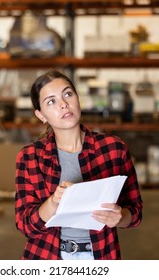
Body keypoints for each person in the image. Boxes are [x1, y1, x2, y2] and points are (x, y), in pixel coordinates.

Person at [14, 69, 143, 260]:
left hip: (100, 255)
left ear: (77, 98)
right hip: (46, 256)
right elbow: (25, 225)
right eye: (51, 101)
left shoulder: (114, 149)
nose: (64, 105)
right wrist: (53, 202)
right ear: (41, 115)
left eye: (67, 94)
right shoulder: (30, 157)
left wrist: (120, 217)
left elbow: (135, 212)